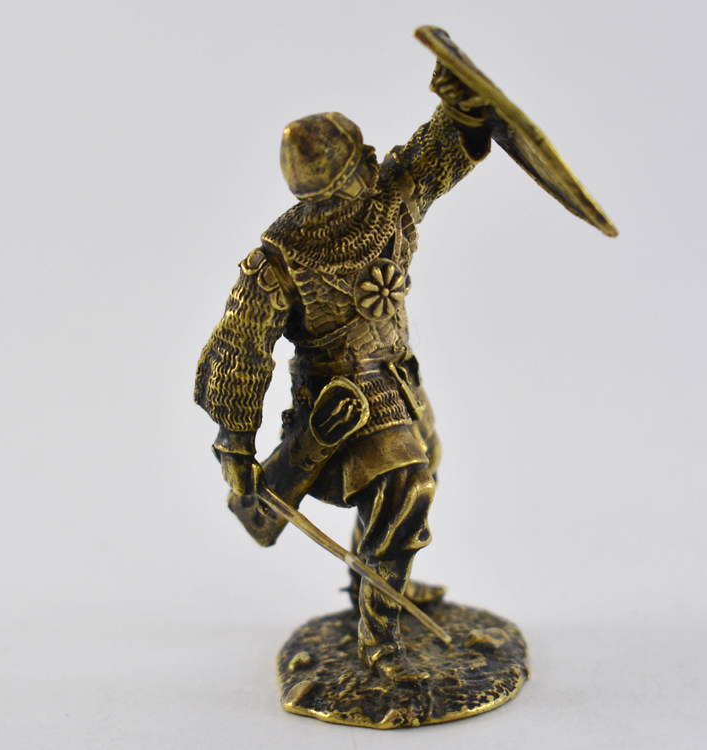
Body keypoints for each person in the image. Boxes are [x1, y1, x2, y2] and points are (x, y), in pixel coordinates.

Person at [195, 62, 492, 683]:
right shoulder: (278, 261)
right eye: (358, 162)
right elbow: (241, 350)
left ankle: (371, 581)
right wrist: (236, 445)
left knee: (424, 463)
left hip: (397, 374)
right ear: (328, 188)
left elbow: (430, 161)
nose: (372, 163)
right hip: (341, 397)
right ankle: (380, 639)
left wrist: (461, 110)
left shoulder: (385, 200)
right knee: (408, 487)